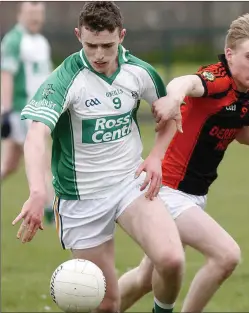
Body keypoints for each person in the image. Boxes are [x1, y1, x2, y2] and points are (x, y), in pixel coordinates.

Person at [118, 14, 249, 313]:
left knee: (145, 278)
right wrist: (173, 97)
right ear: (230, 54)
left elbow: (245, 129)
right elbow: (187, 82)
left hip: (191, 194)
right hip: (168, 190)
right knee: (225, 255)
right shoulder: (218, 79)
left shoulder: (247, 89)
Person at [12, 2, 185, 313]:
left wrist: (157, 156)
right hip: (82, 199)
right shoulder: (65, 79)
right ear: (79, 36)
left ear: (122, 35)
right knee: (106, 304)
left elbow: (171, 114)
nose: (100, 55)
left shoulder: (139, 72)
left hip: (129, 183)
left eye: (108, 45)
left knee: (171, 260)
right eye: (91, 45)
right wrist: (37, 192)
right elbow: (36, 135)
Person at [1, 1, 55, 224]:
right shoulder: (14, 40)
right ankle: (52, 212)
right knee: (43, 158)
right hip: (25, 110)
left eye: (39, 14)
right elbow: (6, 75)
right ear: (20, 14)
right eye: (31, 14)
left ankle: (51, 208)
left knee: (9, 164)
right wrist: (4, 112)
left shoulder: (41, 41)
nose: (35, 19)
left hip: (41, 108)